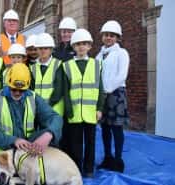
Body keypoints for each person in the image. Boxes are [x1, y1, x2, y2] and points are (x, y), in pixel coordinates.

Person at [0, 63, 62, 160]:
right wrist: (13, 140)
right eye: (14, 89)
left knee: (51, 135)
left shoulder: (33, 98)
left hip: (26, 147)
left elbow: (55, 118)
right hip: (4, 149)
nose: (17, 93)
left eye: (21, 90)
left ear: (27, 85)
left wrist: (49, 134)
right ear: (8, 83)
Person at [61, 29, 105, 177]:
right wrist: (68, 110)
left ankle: (88, 169)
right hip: (74, 113)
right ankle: (76, 170)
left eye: (84, 44)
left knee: (91, 143)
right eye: (78, 44)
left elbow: (100, 89)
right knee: (76, 144)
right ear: (73, 46)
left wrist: (99, 108)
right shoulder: (67, 66)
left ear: (90, 46)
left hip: (91, 112)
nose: (81, 47)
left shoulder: (96, 64)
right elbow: (65, 91)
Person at [96, 20, 130, 173]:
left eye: (112, 35)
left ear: (117, 38)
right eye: (106, 35)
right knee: (105, 128)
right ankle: (107, 157)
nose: (108, 38)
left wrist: (107, 89)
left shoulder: (122, 53)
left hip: (116, 94)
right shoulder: (98, 56)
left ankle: (118, 160)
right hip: (102, 96)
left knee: (116, 128)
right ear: (102, 37)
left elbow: (122, 75)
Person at [30, 33, 64, 117]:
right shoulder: (32, 68)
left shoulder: (59, 65)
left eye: (46, 48)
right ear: (37, 50)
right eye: (40, 48)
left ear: (51, 50)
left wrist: (47, 105)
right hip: (38, 110)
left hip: (54, 111)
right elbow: (31, 90)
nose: (43, 51)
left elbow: (59, 89)